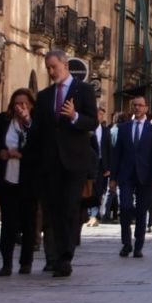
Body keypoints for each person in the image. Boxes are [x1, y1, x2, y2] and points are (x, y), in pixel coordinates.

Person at [30, 51, 98, 277]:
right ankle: (56, 254)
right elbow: (38, 131)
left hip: (74, 162)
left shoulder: (84, 90)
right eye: (47, 68)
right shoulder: (45, 96)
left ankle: (65, 257)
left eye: (53, 67)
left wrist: (75, 116)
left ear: (65, 65)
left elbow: (92, 121)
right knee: (53, 211)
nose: (50, 72)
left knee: (69, 208)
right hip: (50, 163)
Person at [111, 95, 152, 258]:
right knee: (125, 207)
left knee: (142, 211)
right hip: (126, 175)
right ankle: (126, 243)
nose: (137, 108)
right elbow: (116, 154)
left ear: (146, 108)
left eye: (141, 105)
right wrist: (113, 177)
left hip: (145, 176)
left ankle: (138, 245)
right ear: (131, 107)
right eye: (135, 105)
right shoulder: (123, 128)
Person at [0, 88, 39, 276]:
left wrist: (21, 155)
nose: (20, 107)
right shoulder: (3, 122)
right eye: (17, 103)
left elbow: (38, 147)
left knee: (29, 222)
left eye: (24, 103)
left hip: (28, 179)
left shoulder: (35, 124)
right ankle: (6, 262)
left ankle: (26, 262)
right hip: (8, 179)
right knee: (8, 222)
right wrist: (2, 153)